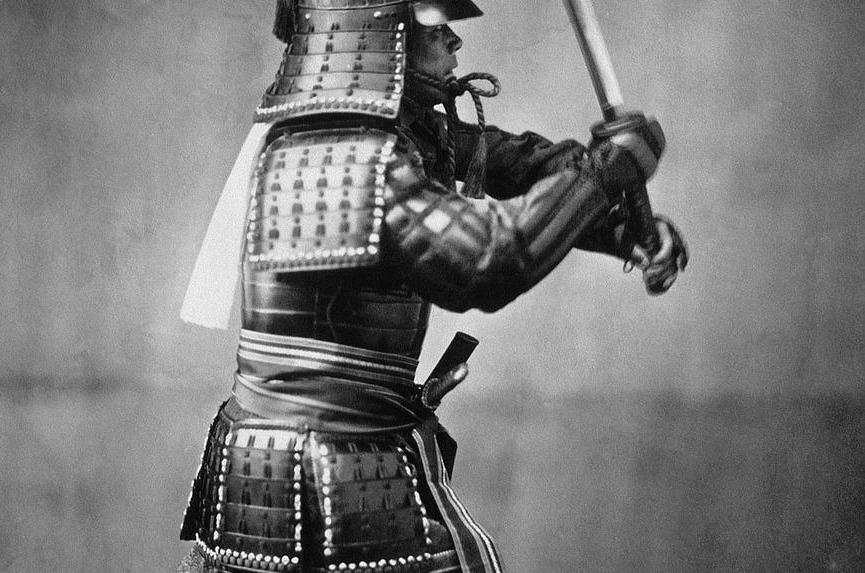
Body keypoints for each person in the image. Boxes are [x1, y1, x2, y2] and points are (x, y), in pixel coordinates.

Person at [178, 1, 688, 572]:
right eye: (432, 23)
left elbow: (518, 162)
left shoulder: (392, 134)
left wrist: (620, 230)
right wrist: (603, 173)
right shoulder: (341, 151)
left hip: (347, 451)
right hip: (314, 469)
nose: (454, 40)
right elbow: (486, 261)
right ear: (373, 32)